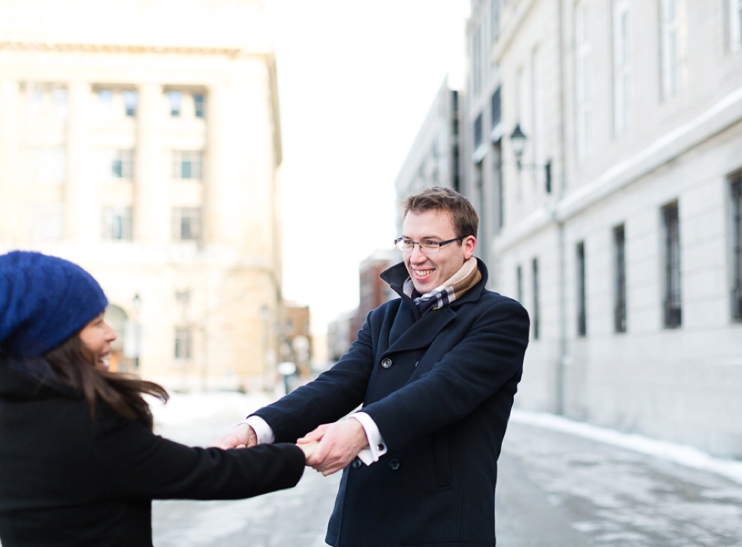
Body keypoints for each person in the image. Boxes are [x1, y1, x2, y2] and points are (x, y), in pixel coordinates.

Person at [217, 187, 530, 547]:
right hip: (363, 522)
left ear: (467, 246)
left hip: (440, 524)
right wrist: (259, 428)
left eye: (431, 243)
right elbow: (337, 384)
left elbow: (444, 390)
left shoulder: (499, 317)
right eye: (408, 242)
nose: (416, 257)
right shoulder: (384, 317)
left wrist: (359, 430)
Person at [0, 251, 315, 547]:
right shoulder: (86, 422)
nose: (111, 333)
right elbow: (207, 474)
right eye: (96, 323)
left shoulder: (13, 408)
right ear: (53, 338)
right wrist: (301, 454)